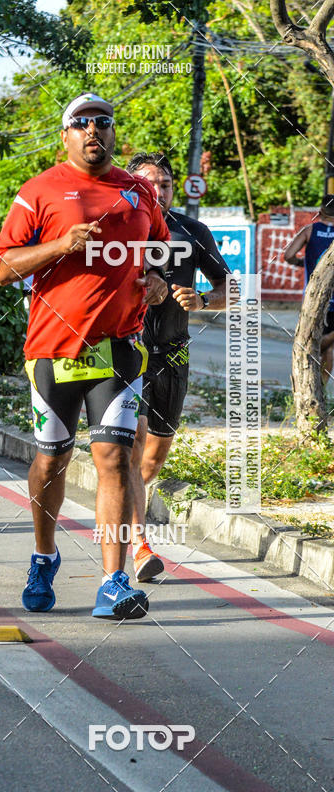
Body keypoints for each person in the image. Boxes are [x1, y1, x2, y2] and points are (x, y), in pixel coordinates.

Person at [0, 93, 169, 619]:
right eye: (82, 124)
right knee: (52, 460)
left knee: (114, 457)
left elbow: (159, 251)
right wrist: (61, 245)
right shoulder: (39, 191)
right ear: (65, 135)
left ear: (114, 134)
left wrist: (158, 282)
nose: (95, 131)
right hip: (53, 350)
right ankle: (44, 555)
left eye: (104, 123)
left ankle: (113, 582)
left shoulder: (139, 192)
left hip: (118, 349)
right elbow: (2, 268)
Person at [127, 152, 230, 581]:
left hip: (173, 351)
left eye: (165, 184)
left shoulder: (192, 230)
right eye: (150, 183)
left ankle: (130, 505)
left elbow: (229, 286)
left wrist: (203, 300)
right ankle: (138, 544)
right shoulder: (115, 227)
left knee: (154, 456)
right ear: (132, 187)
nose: (160, 190)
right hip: (126, 350)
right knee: (131, 448)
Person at [284, 195, 334, 384]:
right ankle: (321, 387)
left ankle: (317, 389)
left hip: (314, 298)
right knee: (327, 348)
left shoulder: (309, 230)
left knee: (318, 341)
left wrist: (301, 263)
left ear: (320, 212)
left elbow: (288, 255)